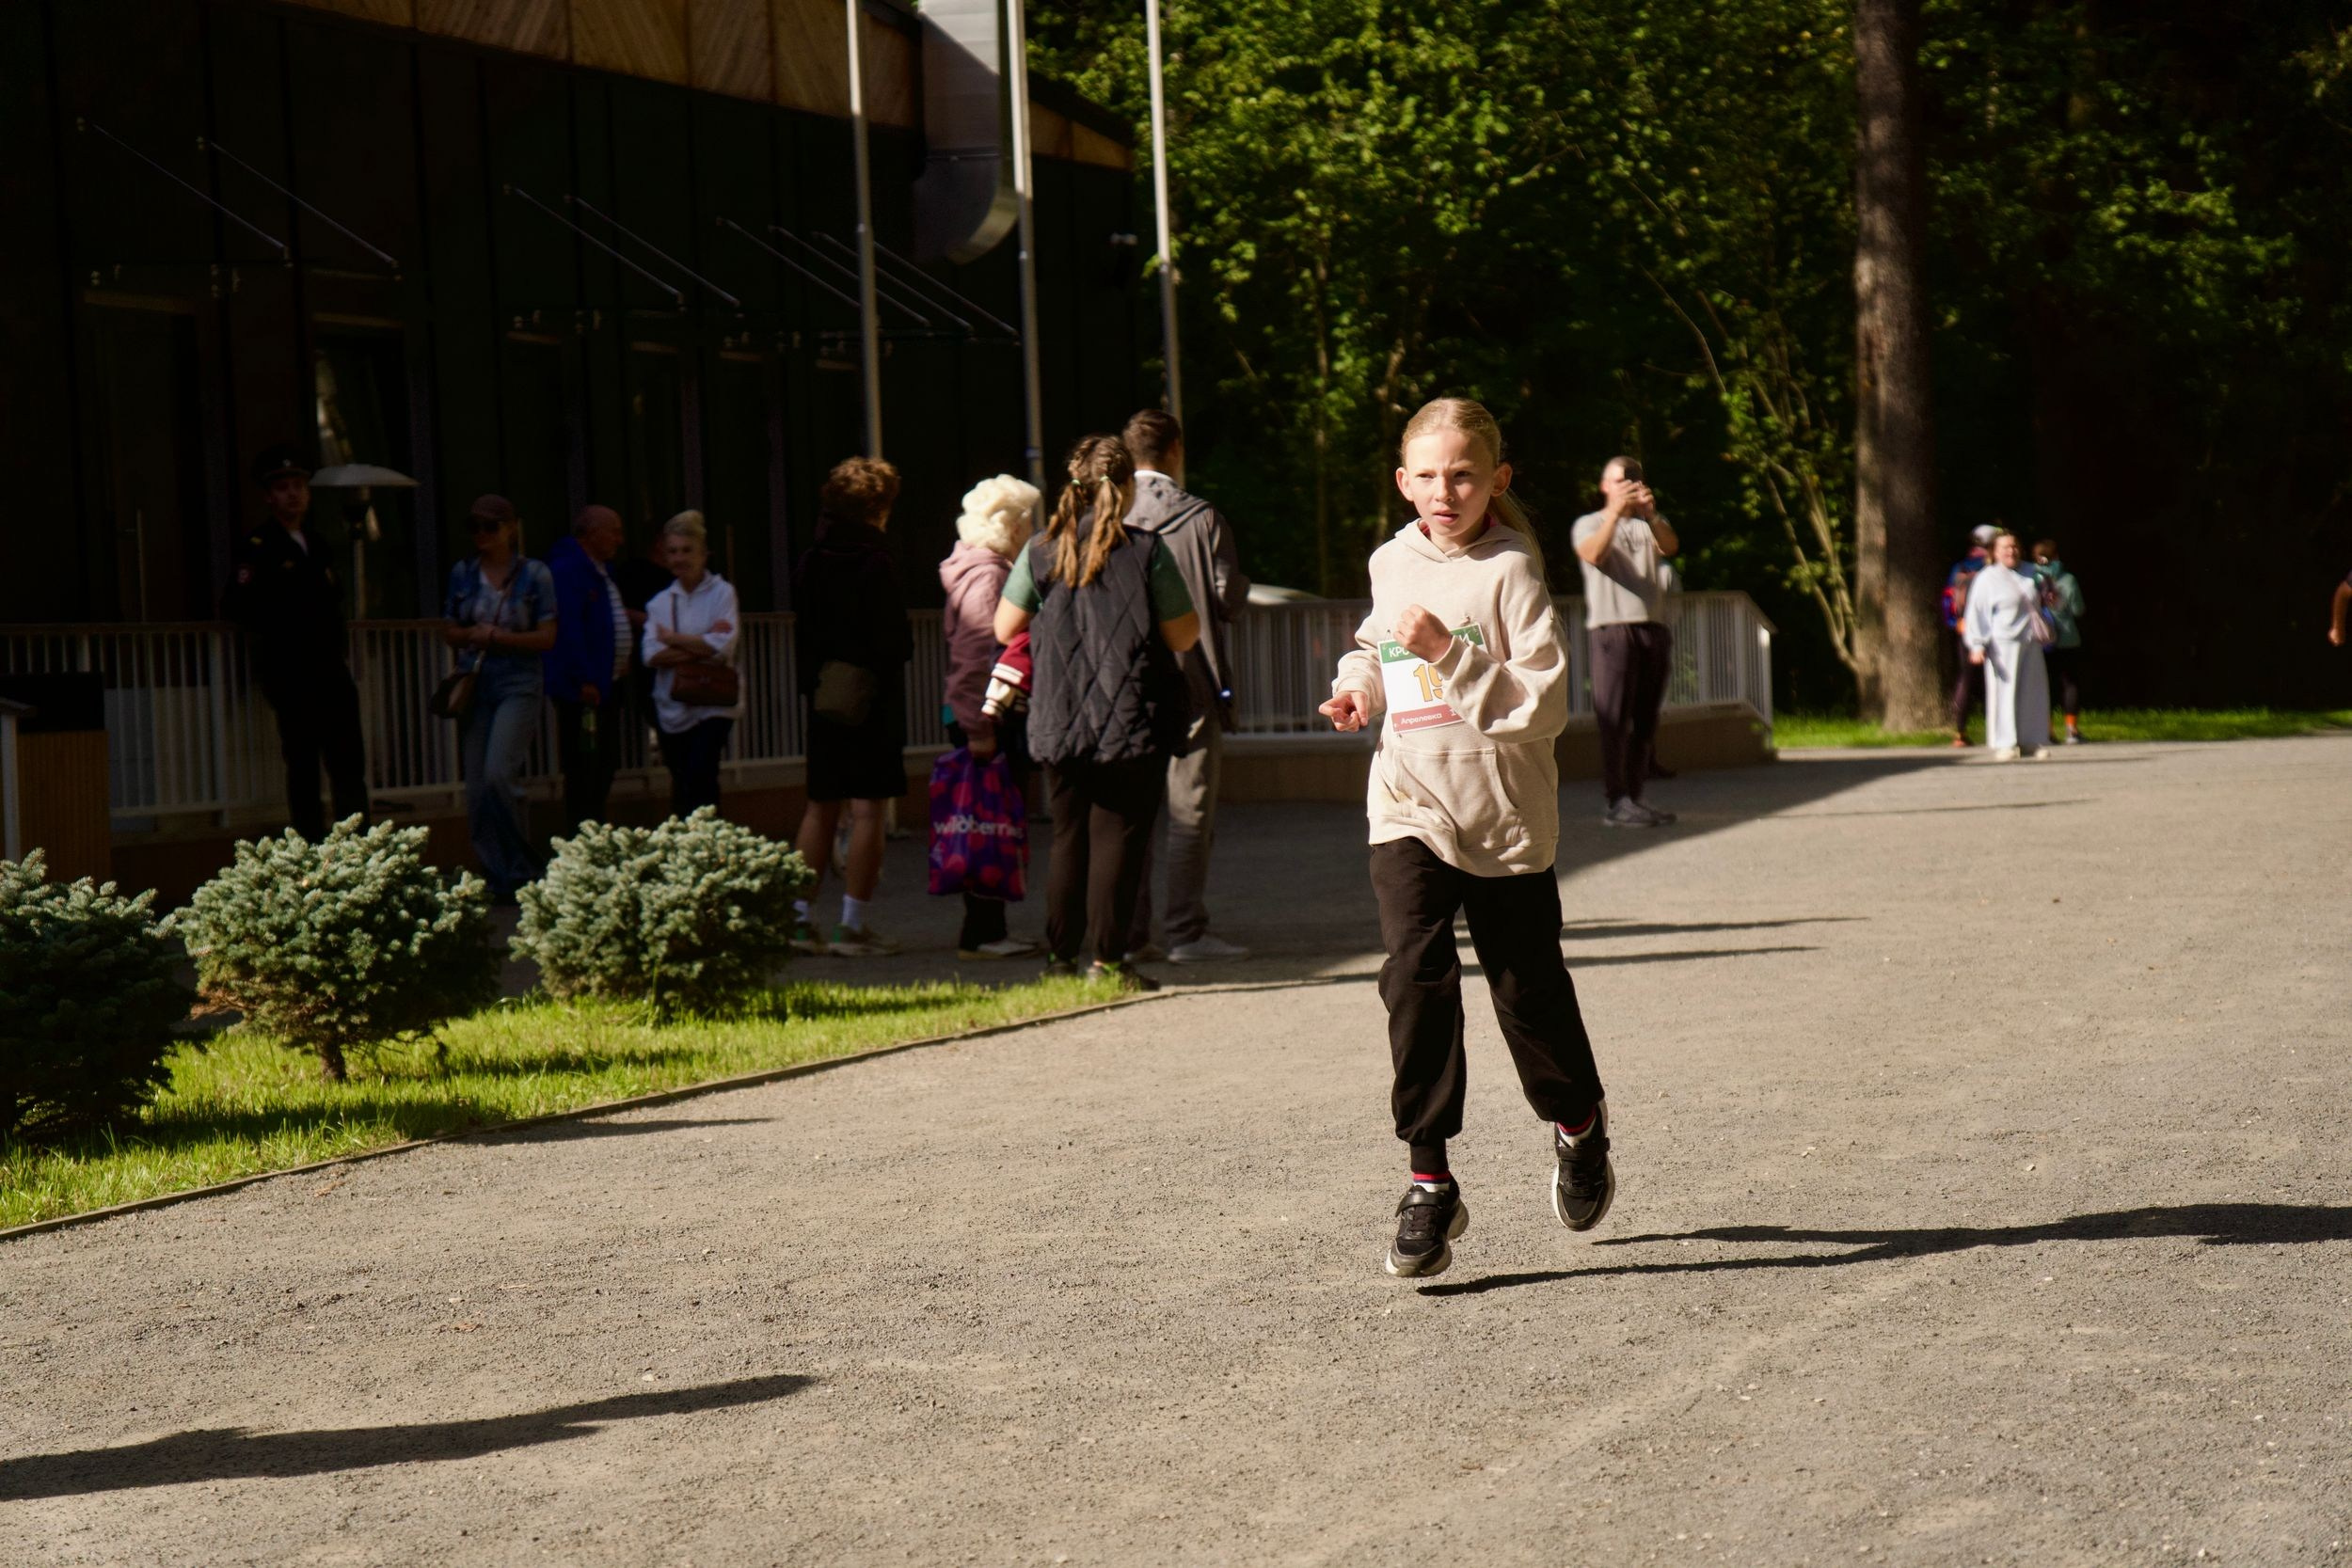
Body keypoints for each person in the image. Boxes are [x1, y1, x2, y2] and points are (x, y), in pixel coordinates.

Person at [1319, 397, 1613, 1280]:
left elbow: (1544, 706)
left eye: (1464, 475)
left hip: (1504, 817)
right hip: (1408, 797)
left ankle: (1579, 1124)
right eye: (1429, 476)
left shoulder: (1511, 572)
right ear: (1402, 481)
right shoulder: (1390, 559)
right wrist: (1359, 686)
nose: (1445, 492)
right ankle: (1429, 1179)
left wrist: (1449, 650)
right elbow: (1376, 644)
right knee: (1413, 978)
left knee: (1527, 992)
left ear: (1497, 480)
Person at [993, 436, 1198, 991]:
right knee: (1117, 840)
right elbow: (1184, 632)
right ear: (1127, 487)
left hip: (1057, 714)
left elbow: (1003, 627)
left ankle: (1059, 960)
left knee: (1067, 837)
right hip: (1132, 714)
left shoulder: (1041, 548)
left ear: (1072, 486)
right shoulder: (1146, 550)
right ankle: (1108, 962)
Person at [1119, 409, 1254, 965]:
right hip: (1192, 678)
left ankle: (1129, 932)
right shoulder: (1202, 518)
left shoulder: (1112, 514)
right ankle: (1185, 931)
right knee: (1189, 809)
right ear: (1175, 449)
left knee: (1131, 809)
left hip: (1126, 680)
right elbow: (1225, 598)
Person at [791, 458, 914, 958]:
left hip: (823, 695)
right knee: (868, 810)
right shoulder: (878, 562)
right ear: (880, 507)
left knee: (820, 805)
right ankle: (852, 925)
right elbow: (895, 641)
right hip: (872, 698)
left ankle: (798, 920)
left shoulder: (812, 559)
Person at [223, 445, 370, 840]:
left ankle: (357, 846)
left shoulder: (317, 543)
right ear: (269, 496)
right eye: (284, 487)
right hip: (291, 670)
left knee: (347, 759)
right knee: (303, 761)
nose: (293, 494)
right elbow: (242, 605)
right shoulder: (259, 547)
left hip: (328, 666)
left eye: (299, 486)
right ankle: (309, 843)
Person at [940, 473, 1043, 960]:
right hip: (985, 715)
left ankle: (988, 925)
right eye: (1028, 521)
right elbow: (976, 657)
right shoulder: (988, 576)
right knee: (988, 821)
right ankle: (983, 930)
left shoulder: (973, 568)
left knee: (985, 819)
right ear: (1013, 525)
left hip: (975, 713)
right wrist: (980, 728)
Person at [442, 495, 558, 902]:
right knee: (476, 785)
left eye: (491, 527)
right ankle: (493, 873)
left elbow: (547, 636)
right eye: (474, 527)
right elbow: (450, 628)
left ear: (511, 528)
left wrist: (499, 637)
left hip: (518, 679)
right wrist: (471, 636)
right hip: (476, 679)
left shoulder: (534, 575)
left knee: (498, 773)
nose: (482, 535)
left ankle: (521, 866)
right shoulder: (464, 572)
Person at [1572, 456, 1680, 828]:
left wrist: (1651, 515)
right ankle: (1615, 800)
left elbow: (1670, 546)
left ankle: (1636, 796)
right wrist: (1615, 514)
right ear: (1605, 485)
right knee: (1614, 720)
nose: (1629, 486)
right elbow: (1593, 554)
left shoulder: (1648, 525)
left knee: (1645, 720)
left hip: (1652, 627)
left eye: (1635, 479)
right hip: (1612, 629)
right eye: (1621, 480)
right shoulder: (1590, 523)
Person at [642, 511, 740, 819]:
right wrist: (700, 644)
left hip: (714, 703)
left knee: (702, 774)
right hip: (672, 703)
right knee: (682, 780)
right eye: (673, 551)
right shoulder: (659, 602)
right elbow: (651, 656)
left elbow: (724, 647)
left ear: (703, 553)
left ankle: (711, 845)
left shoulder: (723, 594)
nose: (679, 558)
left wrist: (673, 639)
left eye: (687, 550)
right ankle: (685, 847)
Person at [544, 504, 631, 832]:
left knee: (604, 762)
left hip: (608, 684)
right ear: (592, 533)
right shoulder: (569, 570)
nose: (619, 540)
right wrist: (584, 678)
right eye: (614, 531)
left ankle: (594, 829)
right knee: (586, 765)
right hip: (585, 691)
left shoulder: (601, 569)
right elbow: (570, 629)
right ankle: (582, 833)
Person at [1963, 530, 2052, 762]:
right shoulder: (1987, 578)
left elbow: (2049, 599)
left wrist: (2051, 594)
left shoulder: (2032, 572)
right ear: (1995, 552)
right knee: (2004, 692)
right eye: (2005, 548)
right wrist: (1977, 644)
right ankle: (2006, 743)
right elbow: (1977, 613)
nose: (2011, 551)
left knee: (2034, 692)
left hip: (2030, 639)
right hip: (2002, 642)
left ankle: (2032, 740)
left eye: (2014, 546)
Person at [1943, 523, 1999, 747]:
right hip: (1991, 629)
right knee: (1994, 678)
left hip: (1964, 628)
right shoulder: (1992, 568)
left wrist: (1954, 622)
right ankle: (1996, 729)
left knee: (1965, 679)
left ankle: (1960, 732)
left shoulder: (1960, 567)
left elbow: (1948, 597)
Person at [2032, 540, 2086, 745]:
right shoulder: (2068, 580)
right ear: (2056, 556)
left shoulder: (2032, 579)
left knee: (2045, 686)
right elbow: (2078, 609)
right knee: (2069, 684)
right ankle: (2071, 729)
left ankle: (2047, 730)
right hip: (2068, 639)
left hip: (2041, 639)